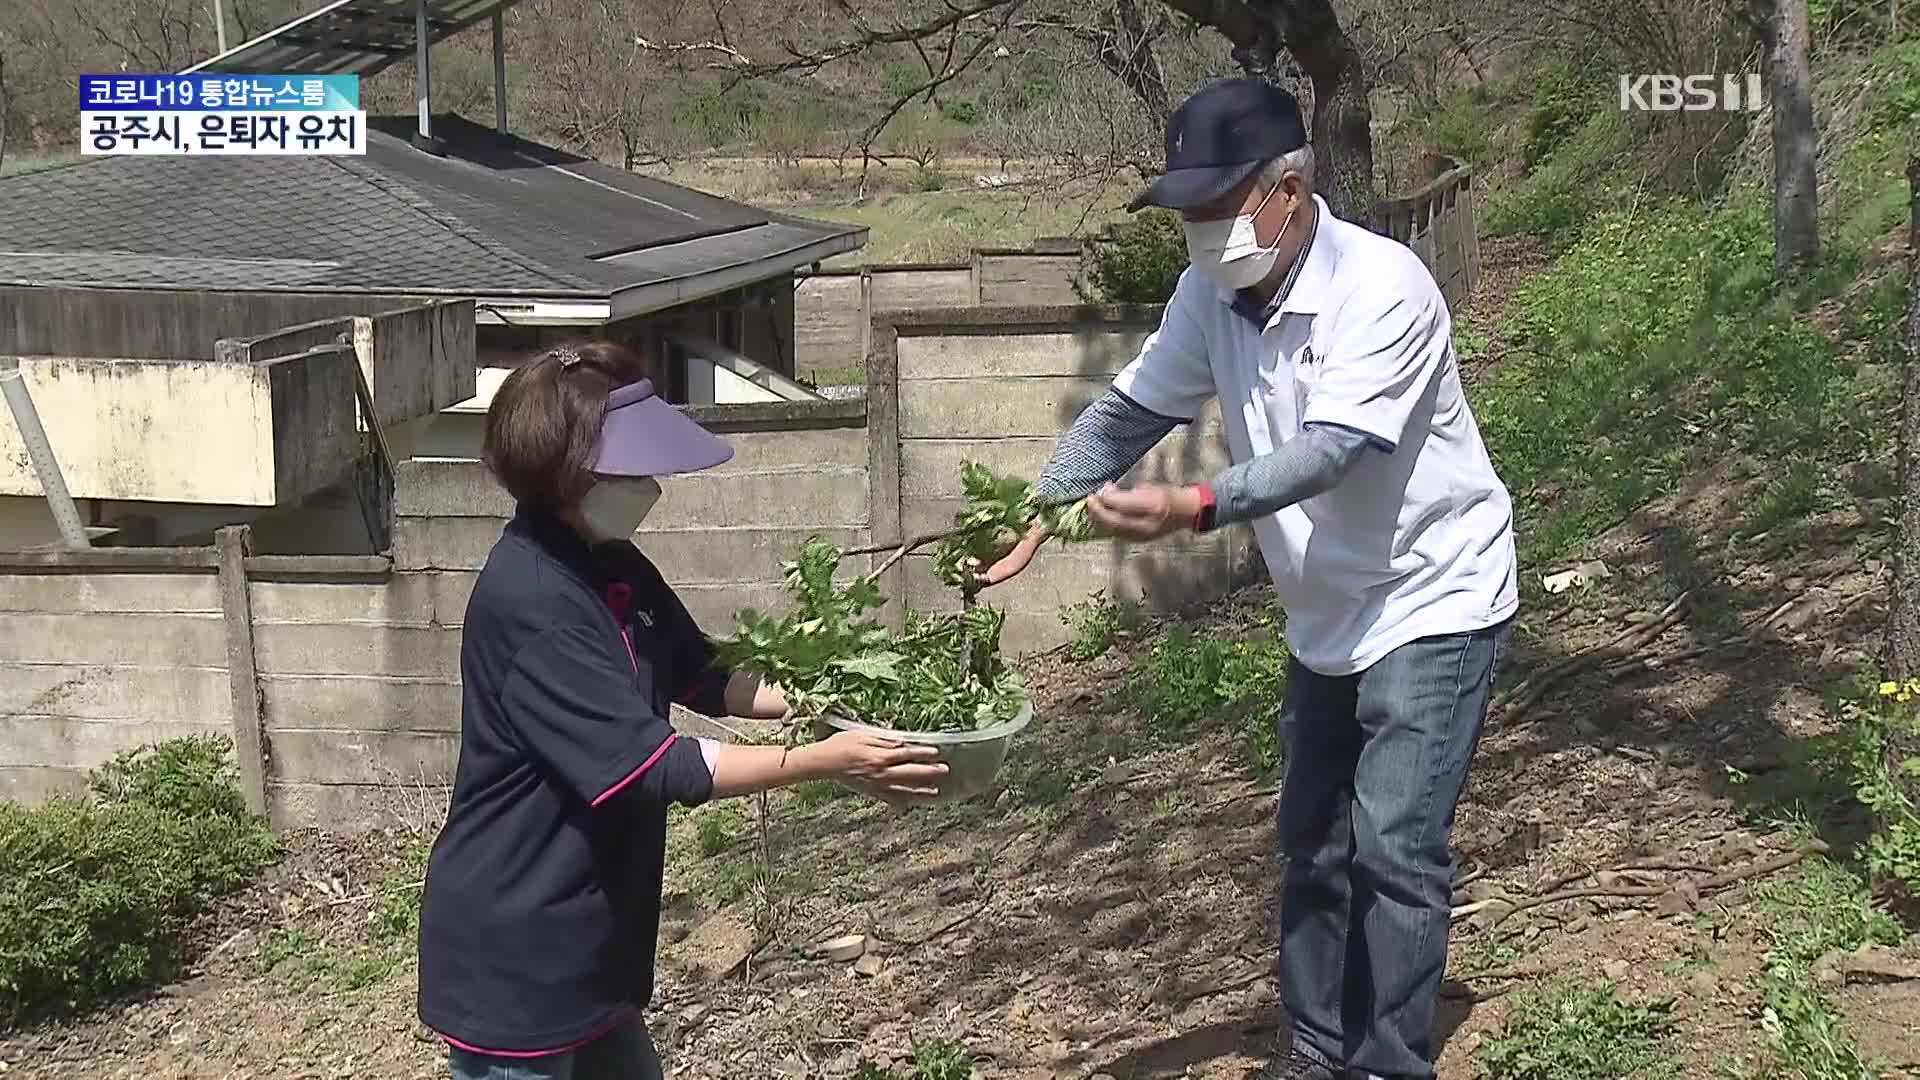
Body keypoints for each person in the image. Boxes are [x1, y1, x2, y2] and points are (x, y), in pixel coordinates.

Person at [979, 79, 1517, 1080]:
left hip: (1431, 590)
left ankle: (1387, 1062)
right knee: (1312, 842)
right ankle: (1315, 1053)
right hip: (1326, 610)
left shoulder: (1384, 288)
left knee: (1393, 845)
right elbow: (1129, 413)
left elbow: (1331, 452)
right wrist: (1041, 510)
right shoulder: (1212, 291)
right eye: (1186, 210)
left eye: (1217, 206)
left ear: (1291, 189)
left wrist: (1194, 507)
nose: (1200, 230)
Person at [415, 341, 947, 1080]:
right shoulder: (531, 605)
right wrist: (828, 761)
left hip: (595, 931)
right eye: (631, 473)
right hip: (516, 955)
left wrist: (834, 699)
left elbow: (701, 675)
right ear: (570, 476)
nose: (652, 488)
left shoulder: (611, 562)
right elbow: (653, 767)